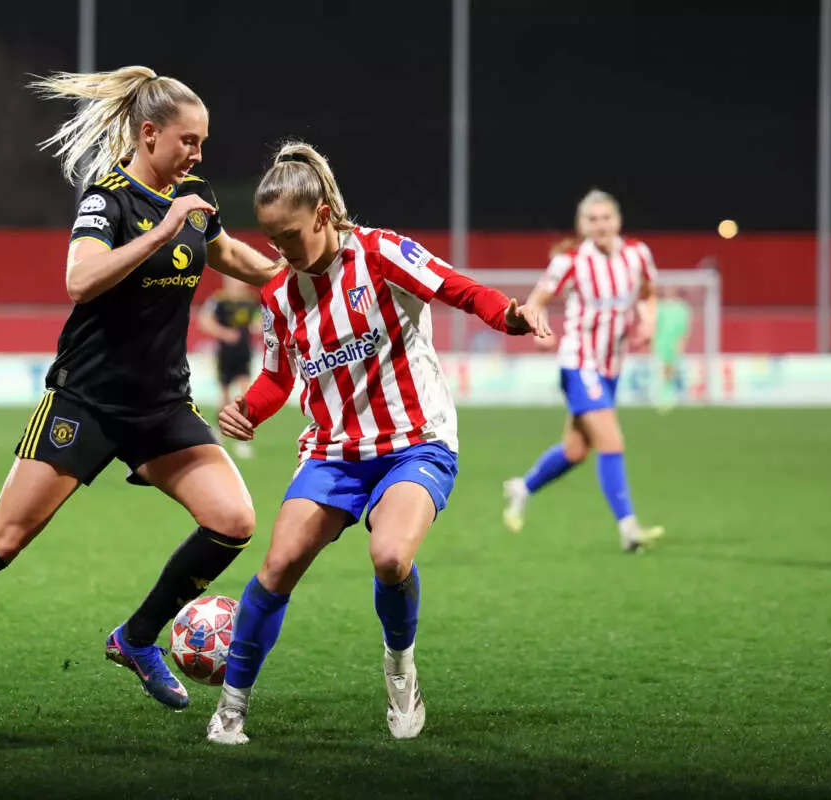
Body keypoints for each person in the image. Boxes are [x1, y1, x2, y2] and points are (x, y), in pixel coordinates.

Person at [0, 65, 281, 725]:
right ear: (149, 133)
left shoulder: (195, 193)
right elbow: (79, 279)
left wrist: (301, 265)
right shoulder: (107, 198)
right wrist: (163, 228)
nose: (198, 154)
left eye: (203, 143)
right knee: (4, 539)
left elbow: (230, 255)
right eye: (188, 141)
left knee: (234, 521)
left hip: (162, 407)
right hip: (86, 402)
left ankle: (135, 639)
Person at [203, 142, 549, 745]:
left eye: (288, 235)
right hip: (333, 450)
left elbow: (456, 288)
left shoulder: (381, 254)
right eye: (269, 238)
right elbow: (280, 376)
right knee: (278, 565)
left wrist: (509, 317)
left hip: (417, 440)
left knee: (390, 558)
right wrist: (247, 411)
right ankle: (231, 707)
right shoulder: (280, 295)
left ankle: (400, 671)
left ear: (323, 215)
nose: (278, 251)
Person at [502, 190, 665, 552]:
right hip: (579, 362)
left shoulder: (638, 255)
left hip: (611, 365)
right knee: (612, 441)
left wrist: (648, 324)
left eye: (606, 217)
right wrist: (540, 329)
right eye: (592, 219)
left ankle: (523, 488)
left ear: (617, 221)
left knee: (576, 450)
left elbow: (649, 294)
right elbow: (537, 301)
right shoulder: (571, 262)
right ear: (582, 225)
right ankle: (629, 528)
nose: (601, 225)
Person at [197, 275, 262, 458]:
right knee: (224, 396)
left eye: (238, 280)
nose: (235, 283)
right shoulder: (219, 299)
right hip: (225, 355)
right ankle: (219, 432)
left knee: (244, 397)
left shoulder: (251, 300)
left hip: (244, 354)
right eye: (231, 280)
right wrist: (224, 333)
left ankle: (242, 440)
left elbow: (261, 318)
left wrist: (258, 325)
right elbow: (204, 320)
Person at [652, 284, 691, 412]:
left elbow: (684, 328)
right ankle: (661, 398)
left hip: (673, 344)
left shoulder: (682, 308)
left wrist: (681, 343)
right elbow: (654, 326)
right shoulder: (659, 307)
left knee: (670, 371)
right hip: (660, 344)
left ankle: (668, 397)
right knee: (662, 371)